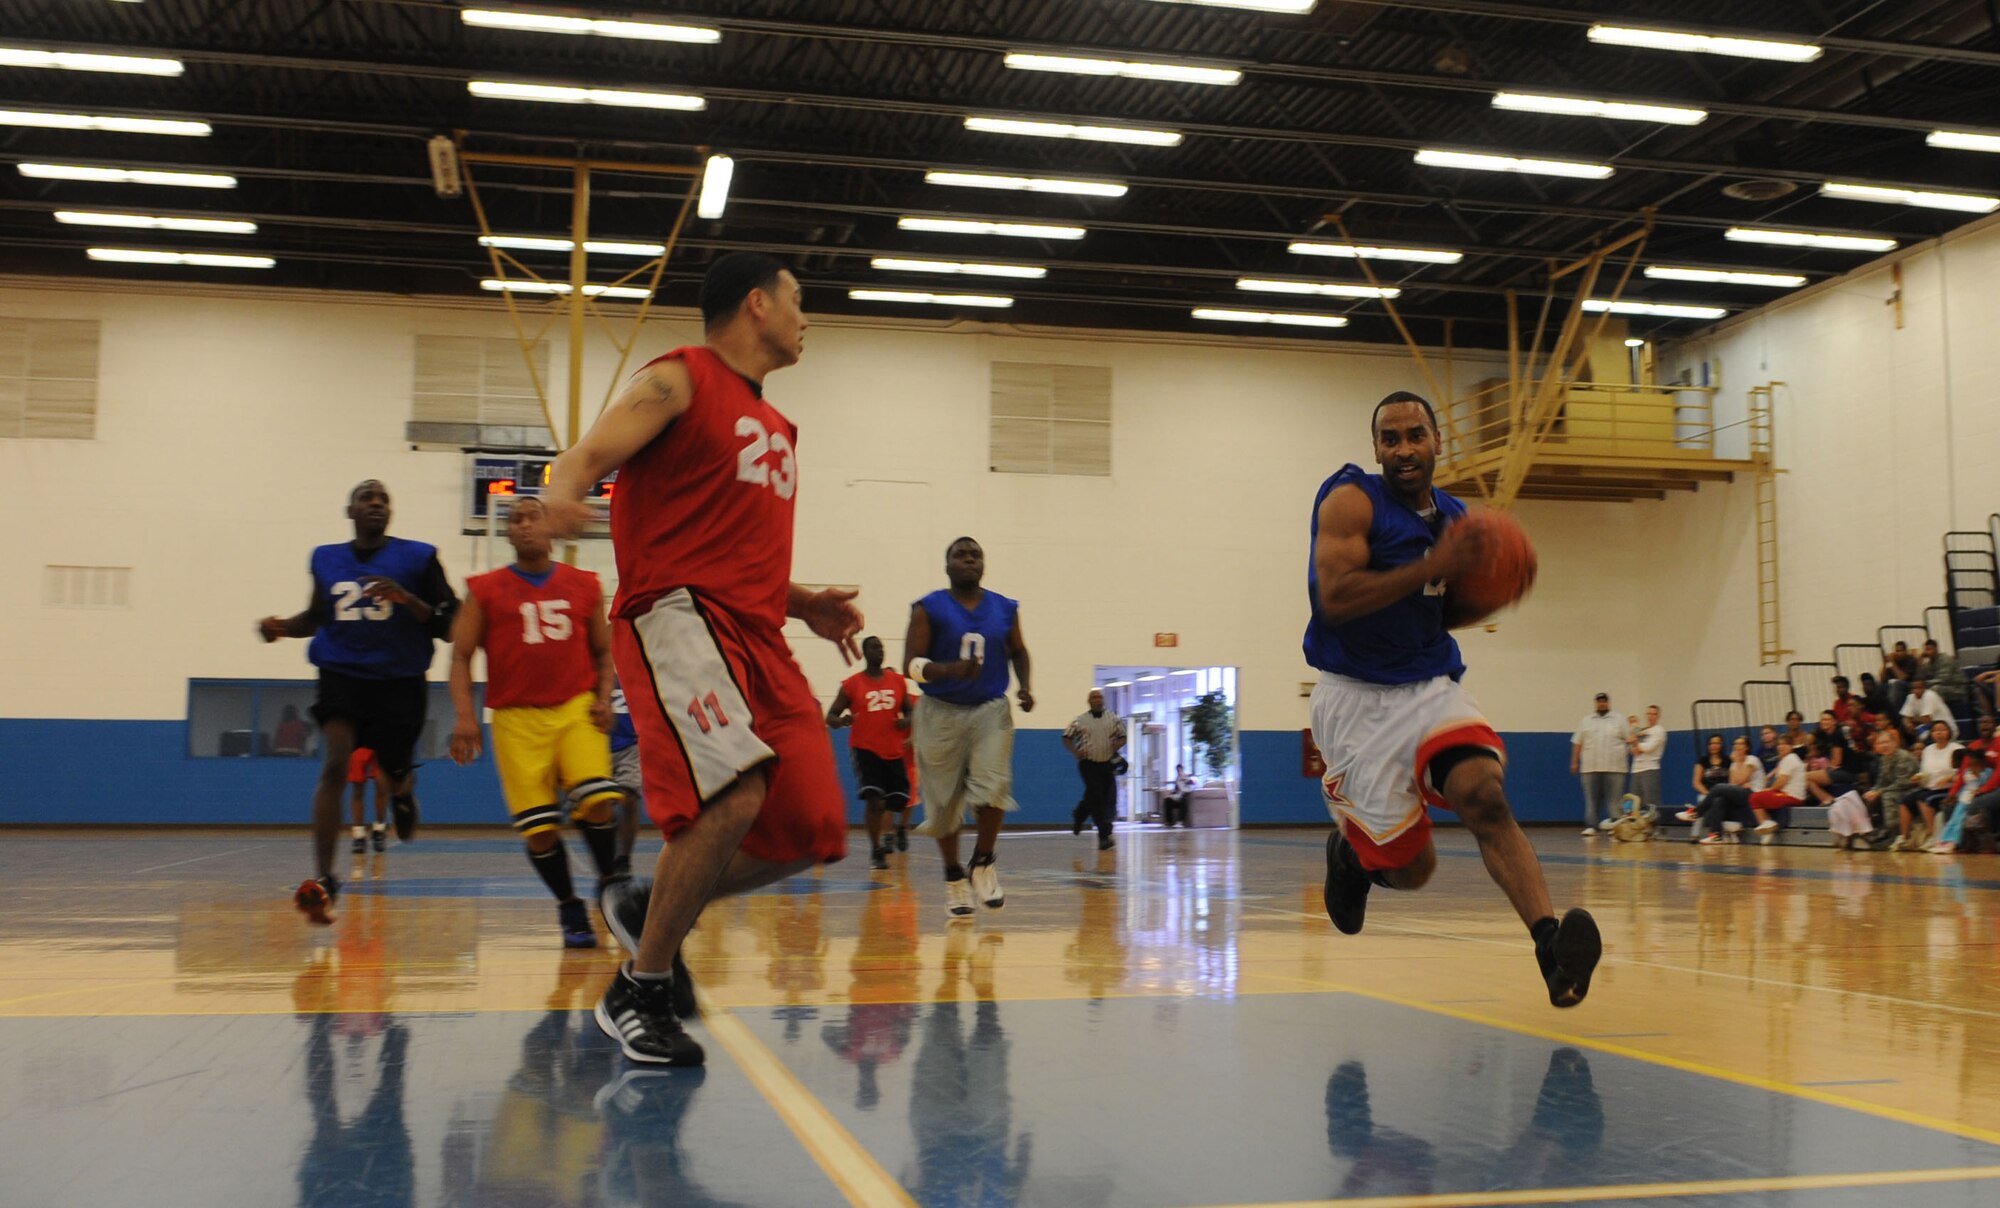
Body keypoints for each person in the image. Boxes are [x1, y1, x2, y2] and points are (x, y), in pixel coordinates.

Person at [544, 252, 864, 1066]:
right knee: (732, 793)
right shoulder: (680, 377)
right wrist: (560, 493)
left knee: (813, 826)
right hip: (678, 619)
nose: (806, 317)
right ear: (757, 303)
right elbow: (586, 455)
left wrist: (803, 602)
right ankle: (641, 989)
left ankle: (647, 903)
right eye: (798, 299)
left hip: (760, 635)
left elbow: (734, 548)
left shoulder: (779, 427)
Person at [1308, 389, 1599, 1008]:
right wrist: (1432, 563)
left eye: (1416, 435)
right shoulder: (1351, 500)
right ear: (1376, 449)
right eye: (1391, 438)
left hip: (1429, 686)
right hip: (1356, 700)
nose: (1404, 449)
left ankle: (1551, 950)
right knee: (1415, 870)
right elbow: (1335, 599)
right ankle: (1353, 860)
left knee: (1484, 796)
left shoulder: (1458, 519)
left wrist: (1494, 591)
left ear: (1437, 441)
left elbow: (1439, 610)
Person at [257, 479, 457, 924]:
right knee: (335, 764)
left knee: (393, 772)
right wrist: (282, 627)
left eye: (384, 498)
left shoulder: (418, 558)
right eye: (367, 498)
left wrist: (407, 598)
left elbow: (448, 624)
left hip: (399, 681)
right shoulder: (326, 559)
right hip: (342, 675)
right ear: (350, 511)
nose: (376, 503)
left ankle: (402, 792)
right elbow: (316, 617)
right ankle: (325, 879)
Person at [447, 495, 626, 949]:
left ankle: (611, 882)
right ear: (508, 534)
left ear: (550, 528)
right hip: (515, 718)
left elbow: (603, 652)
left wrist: (604, 698)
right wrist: (466, 716)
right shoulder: (484, 590)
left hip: (574, 709)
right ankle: (569, 905)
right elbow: (461, 656)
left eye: (533, 517)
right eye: (516, 519)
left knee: (598, 799)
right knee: (540, 829)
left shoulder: (585, 584)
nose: (525, 524)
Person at [903, 536, 1034, 919]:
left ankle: (983, 861)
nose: (969, 559)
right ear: (947, 566)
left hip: (990, 710)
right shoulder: (928, 607)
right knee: (944, 804)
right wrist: (950, 670)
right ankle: (953, 878)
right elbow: (911, 666)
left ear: (983, 564)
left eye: (975, 554)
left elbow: (1019, 650)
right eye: (960, 555)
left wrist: (1025, 685)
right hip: (939, 712)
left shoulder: (1005, 608)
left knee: (993, 786)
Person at [825, 635, 915, 871]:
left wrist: (906, 721)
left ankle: (893, 828)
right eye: (874, 648)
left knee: (898, 800)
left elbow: (910, 710)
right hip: (865, 749)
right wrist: (842, 721)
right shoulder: (852, 684)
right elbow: (830, 716)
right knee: (874, 800)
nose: (880, 651)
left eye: (881, 647)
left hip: (893, 750)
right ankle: (876, 849)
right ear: (865, 653)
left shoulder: (897, 681)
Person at [1064, 688, 1127, 850]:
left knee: (1102, 798)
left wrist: (1117, 745)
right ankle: (1103, 836)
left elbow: (1123, 736)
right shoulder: (1080, 720)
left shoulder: (1113, 718)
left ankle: (1079, 814)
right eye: (1094, 697)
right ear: (1089, 701)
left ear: (1103, 700)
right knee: (1096, 795)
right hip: (1088, 764)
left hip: (1106, 763)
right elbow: (1066, 737)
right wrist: (1075, 751)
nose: (1098, 700)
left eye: (1100, 697)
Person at [1570, 693, 1628, 838]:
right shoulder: (1586, 721)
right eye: (1599, 701)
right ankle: (1591, 826)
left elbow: (1629, 739)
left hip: (1614, 768)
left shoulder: (1619, 719)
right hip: (1590, 768)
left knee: (1615, 800)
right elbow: (1578, 742)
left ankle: (1615, 827)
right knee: (1591, 800)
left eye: (1604, 701)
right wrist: (1575, 761)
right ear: (1595, 703)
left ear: (1608, 703)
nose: (1602, 704)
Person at [1693, 736, 1765, 845]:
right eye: (1735, 744)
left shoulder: (1752, 759)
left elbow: (1741, 779)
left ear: (1747, 747)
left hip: (1754, 793)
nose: (1737, 746)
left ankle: (1697, 812)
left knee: (1719, 787)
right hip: (1741, 792)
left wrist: (1738, 771)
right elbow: (1733, 783)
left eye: (1741, 744)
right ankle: (1716, 835)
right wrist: (1739, 775)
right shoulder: (1733, 764)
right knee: (1718, 800)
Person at [604, 679, 643, 880]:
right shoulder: (594, 668)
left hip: (630, 745)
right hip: (598, 745)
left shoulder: (637, 668)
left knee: (630, 799)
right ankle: (606, 860)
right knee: (601, 806)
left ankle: (624, 859)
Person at [1748, 736, 1805, 835]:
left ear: (1791, 746)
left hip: (1792, 796)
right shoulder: (1786, 760)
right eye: (1779, 744)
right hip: (1787, 794)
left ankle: (1767, 823)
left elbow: (1781, 782)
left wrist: (1769, 790)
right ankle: (1767, 825)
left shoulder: (1790, 759)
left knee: (1755, 797)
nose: (1781, 746)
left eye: (1784, 744)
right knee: (1759, 796)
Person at [346, 746, 389, 854]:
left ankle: (379, 830)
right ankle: (359, 836)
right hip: (359, 744)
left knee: (382, 786)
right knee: (357, 790)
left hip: (381, 743)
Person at [1677, 734, 1728, 824]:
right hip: (1706, 793)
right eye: (1711, 743)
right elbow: (1696, 782)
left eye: (1717, 743)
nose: (1714, 746)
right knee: (1706, 802)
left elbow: (1731, 780)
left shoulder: (1728, 761)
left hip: (1724, 793)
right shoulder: (1702, 761)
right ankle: (1697, 829)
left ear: (1721, 745)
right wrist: (1707, 793)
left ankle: (1695, 814)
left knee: (1719, 802)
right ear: (1708, 746)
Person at [1627, 705, 1666, 812]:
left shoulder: (1659, 731)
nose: (1651, 716)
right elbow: (1633, 750)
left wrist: (1635, 741)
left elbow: (1648, 748)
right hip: (1636, 769)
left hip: (1650, 769)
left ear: (1658, 716)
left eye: (1654, 714)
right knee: (1635, 803)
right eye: (1649, 714)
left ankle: (1655, 822)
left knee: (1651, 803)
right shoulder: (1642, 731)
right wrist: (1633, 728)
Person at [1161, 762, 1196, 828]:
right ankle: (1169, 822)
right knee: (1167, 800)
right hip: (1178, 798)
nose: (1179, 772)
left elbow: (1192, 783)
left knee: (1183, 799)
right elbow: (1175, 790)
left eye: (1180, 770)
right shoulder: (1177, 779)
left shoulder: (1185, 777)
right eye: (1178, 770)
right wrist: (1170, 795)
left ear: (1182, 769)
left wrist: (1185, 779)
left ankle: (1180, 822)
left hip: (1184, 798)